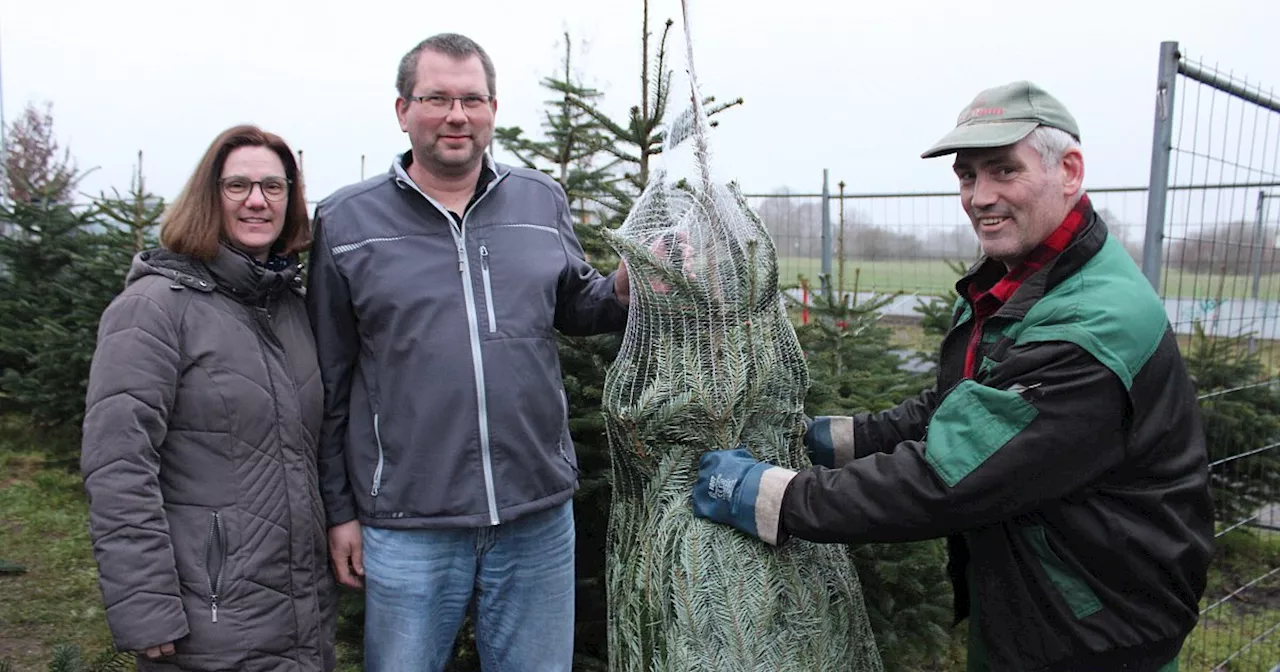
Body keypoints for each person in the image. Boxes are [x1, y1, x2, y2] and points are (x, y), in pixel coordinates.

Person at [692, 81, 1214, 672]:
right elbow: (960, 405)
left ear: (1068, 170)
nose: (979, 197)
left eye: (1002, 171)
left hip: (1093, 629)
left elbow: (949, 477)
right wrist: (832, 438)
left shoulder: (1088, 328)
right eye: (967, 177)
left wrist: (770, 495)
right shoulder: (1020, 278)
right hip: (1040, 600)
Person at [306, 33, 630, 671]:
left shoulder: (541, 199)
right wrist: (340, 510)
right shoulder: (345, 221)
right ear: (403, 111)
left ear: (492, 108)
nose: (457, 115)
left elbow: (576, 306)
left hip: (535, 513)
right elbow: (328, 379)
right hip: (407, 520)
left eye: (472, 99)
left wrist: (622, 288)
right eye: (437, 98)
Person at [80, 124, 336, 671]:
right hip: (209, 613)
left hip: (299, 610)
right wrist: (146, 606)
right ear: (208, 195)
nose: (256, 201)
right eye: (237, 185)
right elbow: (118, 465)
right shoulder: (153, 308)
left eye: (273, 187)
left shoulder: (291, 307)